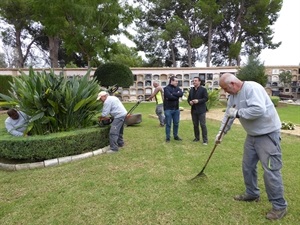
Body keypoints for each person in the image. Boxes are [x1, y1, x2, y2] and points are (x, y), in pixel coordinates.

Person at [215, 73, 287, 220]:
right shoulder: (233, 96)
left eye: (225, 89)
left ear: (233, 84)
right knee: (247, 166)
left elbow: (259, 109)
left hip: (267, 134)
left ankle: (279, 206)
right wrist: (221, 134)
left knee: (271, 170)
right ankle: (252, 193)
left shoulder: (252, 88)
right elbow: (229, 115)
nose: (225, 92)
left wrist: (238, 113)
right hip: (252, 135)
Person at [188, 77, 208, 145]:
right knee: (195, 125)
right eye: (193, 81)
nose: (194, 82)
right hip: (194, 110)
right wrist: (190, 102)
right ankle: (197, 138)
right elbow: (189, 99)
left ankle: (205, 140)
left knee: (203, 125)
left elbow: (206, 98)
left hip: (201, 110)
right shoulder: (191, 90)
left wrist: (198, 101)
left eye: (196, 81)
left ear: (199, 82)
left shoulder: (203, 89)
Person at [163, 76, 183, 142]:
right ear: (171, 81)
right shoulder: (166, 88)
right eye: (176, 81)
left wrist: (173, 94)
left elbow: (181, 94)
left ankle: (175, 136)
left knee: (176, 123)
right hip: (168, 109)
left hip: (176, 109)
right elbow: (169, 96)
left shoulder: (177, 88)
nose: (177, 82)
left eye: (177, 81)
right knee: (168, 124)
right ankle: (168, 137)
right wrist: (176, 96)